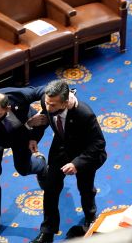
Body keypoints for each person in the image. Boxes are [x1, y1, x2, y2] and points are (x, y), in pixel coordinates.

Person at [30, 79, 107, 243]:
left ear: (65, 103)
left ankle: (90, 216)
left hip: (83, 154)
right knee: (50, 189)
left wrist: (76, 163)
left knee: (85, 189)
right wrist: (34, 138)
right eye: (47, 103)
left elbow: (99, 143)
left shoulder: (84, 114)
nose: (48, 108)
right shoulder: (49, 101)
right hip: (60, 150)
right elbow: (44, 120)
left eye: (52, 105)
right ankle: (47, 231)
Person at [0, 86, 50, 239]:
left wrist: (46, 109)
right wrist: (28, 125)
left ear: (7, 108)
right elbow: (8, 139)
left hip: (21, 124)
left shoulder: (18, 97)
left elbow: (43, 91)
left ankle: (41, 166)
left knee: (23, 168)